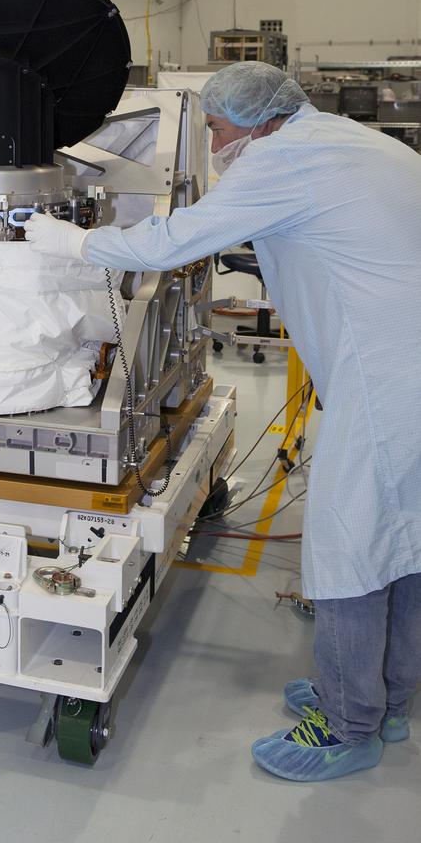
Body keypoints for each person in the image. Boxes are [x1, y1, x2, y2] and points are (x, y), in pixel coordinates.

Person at [25, 61, 421, 783]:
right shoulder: (344, 142)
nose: (211, 143)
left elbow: (161, 245)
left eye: (214, 129)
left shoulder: (282, 158)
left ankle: (346, 723)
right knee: (403, 540)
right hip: (400, 370)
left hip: (391, 382)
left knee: (350, 549)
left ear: (260, 120)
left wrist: (67, 242)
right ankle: (380, 696)